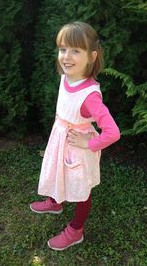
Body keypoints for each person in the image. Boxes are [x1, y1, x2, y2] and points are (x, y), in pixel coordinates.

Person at [30, 21, 120, 251]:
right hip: (60, 138)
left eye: (75, 51)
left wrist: (90, 143)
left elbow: (113, 132)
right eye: (63, 49)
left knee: (81, 190)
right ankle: (55, 202)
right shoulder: (66, 77)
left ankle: (75, 230)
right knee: (55, 170)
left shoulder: (90, 96)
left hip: (79, 149)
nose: (66, 57)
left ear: (92, 56)